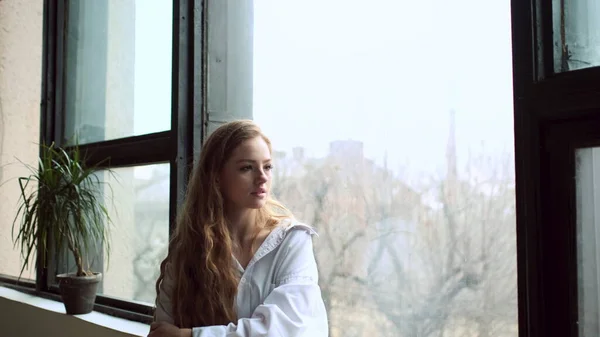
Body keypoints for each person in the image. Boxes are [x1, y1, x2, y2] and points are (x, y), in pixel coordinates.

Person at [148, 120, 329, 337]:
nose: (262, 177)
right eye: (247, 168)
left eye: (268, 166)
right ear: (216, 176)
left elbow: (285, 330)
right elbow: (162, 331)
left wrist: (188, 336)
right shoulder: (188, 249)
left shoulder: (292, 241)